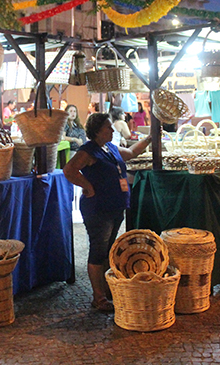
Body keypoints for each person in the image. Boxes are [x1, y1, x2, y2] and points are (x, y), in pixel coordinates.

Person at [62, 112, 152, 311]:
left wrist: (149, 138)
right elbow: (69, 170)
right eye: (108, 127)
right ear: (97, 131)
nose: (112, 130)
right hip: (98, 208)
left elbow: (131, 153)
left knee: (109, 249)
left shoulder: (110, 147)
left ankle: (106, 289)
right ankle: (99, 297)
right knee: (98, 250)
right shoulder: (88, 151)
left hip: (115, 205)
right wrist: (87, 186)